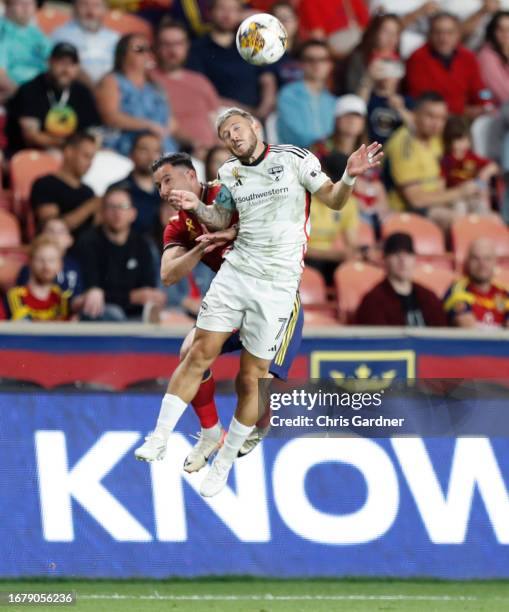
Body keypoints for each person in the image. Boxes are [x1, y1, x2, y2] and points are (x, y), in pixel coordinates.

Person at [135, 106, 383, 497]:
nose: (232, 137)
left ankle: (230, 454)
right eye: (224, 134)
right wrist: (202, 224)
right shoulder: (227, 178)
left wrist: (349, 173)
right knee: (194, 350)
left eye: (236, 128)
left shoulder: (294, 159)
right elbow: (211, 226)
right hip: (236, 277)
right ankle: (174, 435)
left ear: (254, 125)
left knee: (254, 381)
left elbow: (334, 200)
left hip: (279, 288)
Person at [152, 152, 302, 468]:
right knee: (189, 351)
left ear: (191, 176)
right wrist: (200, 247)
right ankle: (210, 431)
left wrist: (228, 232)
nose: (163, 191)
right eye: (158, 186)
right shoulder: (178, 226)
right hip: (233, 298)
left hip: (274, 298)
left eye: (168, 180)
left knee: (251, 381)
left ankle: (261, 425)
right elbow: (169, 275)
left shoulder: (233, 192)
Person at [384, 92, 482, 230]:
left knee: (489, 217)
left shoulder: (438, 140)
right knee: (459, 222)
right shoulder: (404, 146)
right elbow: (416, 200)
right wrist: (459, 192)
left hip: (440, 202)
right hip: (409, 211)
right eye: (430, 116)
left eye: (442, 118)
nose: (437, 123)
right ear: (415, 114)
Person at [76, 186, 166, 321]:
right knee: (113, 313)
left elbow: (148, 287)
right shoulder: (88, 242)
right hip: (103, 312)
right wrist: (131, 297)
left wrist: (153, 296)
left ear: (133, 214)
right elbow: (92, 290)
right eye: (112, 207)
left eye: (123, 206)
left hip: (137, 312)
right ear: (102, 213)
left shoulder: (142, 244)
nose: (117, 213)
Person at [187, 0, 277, 120]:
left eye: (233, 10)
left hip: (258, 118)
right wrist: (243, 111)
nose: (227, 14)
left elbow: (267, 80)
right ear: (210, 12)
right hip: (218, 117)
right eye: (221, 8)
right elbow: (199, 90)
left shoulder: (251, 44)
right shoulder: (197, 48)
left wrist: (262, 110)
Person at [6, 42, 101, 154]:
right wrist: (67, 146)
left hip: (72, 155)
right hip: (32, 154)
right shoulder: (30, 90)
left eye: (71, 64)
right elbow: (31, 136)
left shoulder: (82, 93)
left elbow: (93, 131)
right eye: (61, 63)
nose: (66, 69)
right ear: (49, 62)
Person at [96, 33, 178, 156]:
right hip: (127, 147)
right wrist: (147, 125)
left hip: (162, 147)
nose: (146, 54)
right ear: (123, 54)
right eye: (139, 49)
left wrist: (169, 129)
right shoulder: (112, 80)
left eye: (149, 49)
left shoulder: (156, 86)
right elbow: (111, 116)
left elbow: (171, 121)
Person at [151, 19, 221, 154]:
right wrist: (194, 144)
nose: (172, 50)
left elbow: (216, 120)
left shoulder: (200, 81)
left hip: (211, 155)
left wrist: (218, 150)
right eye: (166, 44)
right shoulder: (147, 80)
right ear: (155, 46)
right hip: (173, 154)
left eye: (178, 43)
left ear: (187, 45)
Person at [405, 13, 492, 118]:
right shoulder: (417, 58)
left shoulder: (468, 57)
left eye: (449, 33)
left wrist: (487, 104)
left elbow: (481, 89)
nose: (444, 38)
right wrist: (462, 111)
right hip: (433, 119)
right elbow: (421, 98)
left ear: (457, 35)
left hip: (464, 119)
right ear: (430, 34)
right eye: (438, 32)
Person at [356, 232, 447, 326]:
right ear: (385, 259)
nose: (402, 260)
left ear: (414, 259)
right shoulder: (373, 301)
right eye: (396, 254)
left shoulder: (429, 298)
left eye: (407, 254)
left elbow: (442, 333)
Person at [30, 132, 100, 240]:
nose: (89, 163)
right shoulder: (45, 184)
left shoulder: (88, 191)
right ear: (69, 152)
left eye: (92, 158)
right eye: (86, 156)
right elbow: (52, 227)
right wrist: (90, 207)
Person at [277, 40, 336, 148]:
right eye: (310, 59)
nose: (316, 64)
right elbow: (293, 135)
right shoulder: (288, 94)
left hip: (327, 156)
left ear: (330, 65)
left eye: (322, 59)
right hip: (297, 157)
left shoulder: (331, 100)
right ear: (301, 64)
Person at [16, 217, 85, 305]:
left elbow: (77, 297)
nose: (55, 236)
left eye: (60, 232)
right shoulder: (30, 268)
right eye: (50, 231)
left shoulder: (75, 266)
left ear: (70, 240)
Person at [444, 237, 509, 328]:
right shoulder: (457, 289)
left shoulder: (504, 292)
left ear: (495, 262)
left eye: (487, 259)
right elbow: (468, 328)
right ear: (467, 262)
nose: (482, 264)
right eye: (476, 258)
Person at [109, 131, 163, 238]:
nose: (151, 156)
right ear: (131, 154)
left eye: (156, 151)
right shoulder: (118, 190)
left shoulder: (168, 192)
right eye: (144, 150)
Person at [52, 0, 120, 85]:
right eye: (84, 4)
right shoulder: (61, 35)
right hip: (74, 88)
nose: (90, 11)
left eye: (96, 5)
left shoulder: (115, 38)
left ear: (105, 10)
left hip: (109, 90)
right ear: (74, 8)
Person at [441, 115, 499, 214]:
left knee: (481, 207)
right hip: (456, 197)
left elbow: (494, 166)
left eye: (467, 140)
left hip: (474, 195)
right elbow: (442, 183)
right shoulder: (446, 159)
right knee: (460, 208)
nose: (464, 144)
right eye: (459, 140)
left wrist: (483, 176)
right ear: (449, 141)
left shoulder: (471, 157)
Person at [5, 236, 72, 321]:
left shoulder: (64, 299)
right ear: (30, 261)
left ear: (60, 265)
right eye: (40, 260)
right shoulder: (14, 296)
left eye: (52, 260)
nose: (46, 265)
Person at [0, 0, 51, 101]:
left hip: (42, 94)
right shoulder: (3, 32)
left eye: (30, 3)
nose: (26, 8)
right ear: (8, 6)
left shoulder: (38, 34)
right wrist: (23, 94)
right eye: (21, 3)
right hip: (16, 97)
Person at [344, 13, 402, 96]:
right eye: (386, 32)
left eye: (395, 33)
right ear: (375, 32)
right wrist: (369, 78)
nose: (391, 38)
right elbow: (352, 93)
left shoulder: (399, 61)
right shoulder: (359, 58)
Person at [297, 0, 370, 57]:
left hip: (357, 49)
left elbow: (368, 26)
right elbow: (318, 39)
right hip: (333, 54)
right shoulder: (309, 2)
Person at [478, 11, 509, 107]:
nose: (505, 33)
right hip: (498, 112)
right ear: (492, 31)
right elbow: (501, 92)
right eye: (500, 29)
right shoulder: (486, 56)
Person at [270, 2, 303, 87]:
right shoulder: (262, 55)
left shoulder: (306, 52)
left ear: (296, 22)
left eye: (287, 18)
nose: (282, 23)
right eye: (278, 19)